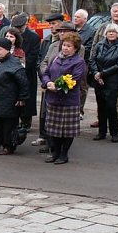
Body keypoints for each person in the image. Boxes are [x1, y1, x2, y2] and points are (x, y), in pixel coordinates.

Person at [40, 32, 86, 164]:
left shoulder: (79, 61)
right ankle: (55, 153)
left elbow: (75, 79)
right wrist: (48, 82)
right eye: (64, 45)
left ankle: (64, 154)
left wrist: (58, 87)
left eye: (69, 46)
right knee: (53, 128)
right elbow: (46, 72)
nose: (65, 48)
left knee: (67, 130)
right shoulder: (56, 58)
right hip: (53, 98)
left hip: (69, 101)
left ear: (75, 48)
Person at [90, 2, 118, 128]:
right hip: (101, 68)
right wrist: (92, 66)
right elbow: (95, 46)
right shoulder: (102, 27)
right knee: (101, 95)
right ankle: (102, 119)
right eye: (114, 11)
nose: (116, 13)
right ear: (111, 12)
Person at [0, 38, 29, 155]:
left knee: (8, 125)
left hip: (9, 100)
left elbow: (23, 83)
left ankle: (8, 146)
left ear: (7, 50)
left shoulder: (15, 64)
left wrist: (22, 98)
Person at [89, 23, 118, 142]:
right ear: (105, 33)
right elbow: (92, 59)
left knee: (111, 107)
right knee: (101, 106)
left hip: (112, 80)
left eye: (114, 32)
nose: (111, 33)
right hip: (98, 79)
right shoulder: (99, 45)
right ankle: (101, 132)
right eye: (109, 31)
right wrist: (96, 73)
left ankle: (114, 133)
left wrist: (102, 73)